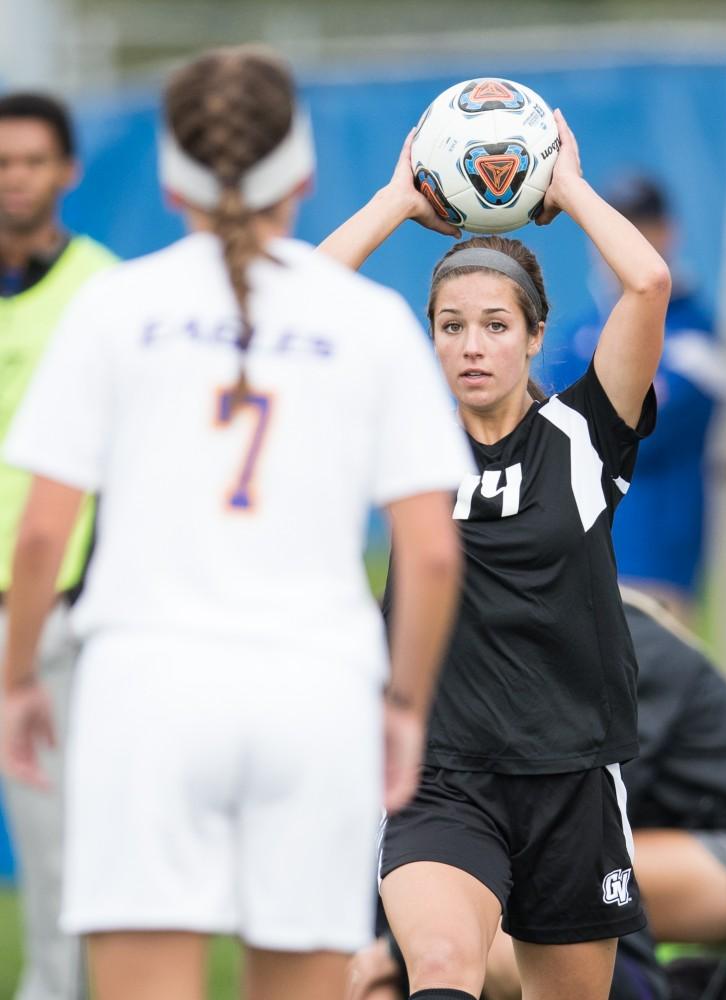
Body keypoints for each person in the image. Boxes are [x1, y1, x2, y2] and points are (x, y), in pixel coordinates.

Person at [0, 47, 472, 1000]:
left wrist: (16, 682)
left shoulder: (111, 306)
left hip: (145, 690)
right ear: (300, 174)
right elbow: (429, 552)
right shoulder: (372, 320)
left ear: (171, 180)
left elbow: (44, 533)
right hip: (317, 694)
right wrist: (406, 706)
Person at [322, 108, 670, 1000]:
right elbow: (300, 301)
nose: (472, 346)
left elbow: (647, 281)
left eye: (494, 325)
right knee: (440, 968)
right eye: (449, 326)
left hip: (572, 776)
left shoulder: (585, 436)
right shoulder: (406, 436)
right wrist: (399, 200)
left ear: (535, 335)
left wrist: (567, 188)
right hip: (442, 774)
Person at [349, 588, 726, 1000]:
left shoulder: (593, 654)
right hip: (703, 844)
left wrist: (395, 951)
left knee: (568, 877)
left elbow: (557, 835)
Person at [0, 90, 117, 1000]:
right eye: (2, 162)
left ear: (67, 171)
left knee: (62, 863)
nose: (14, 179)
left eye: (32, 160)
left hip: (46, 621)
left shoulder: (101, 292)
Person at [542, 175, 726, 624]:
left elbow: (634, 432)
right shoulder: (575, 336)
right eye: (619, 226)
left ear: (669, 233)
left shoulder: (696, 342)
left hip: (656, 565)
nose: (630, 241)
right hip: (575, 560)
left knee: (651, 688)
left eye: (643, 227)